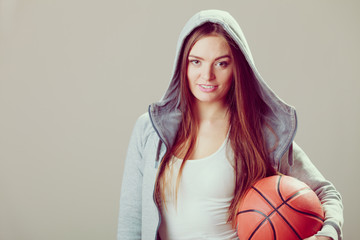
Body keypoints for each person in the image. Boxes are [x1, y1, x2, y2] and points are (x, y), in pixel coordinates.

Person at [117, 9, 343, 240]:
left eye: (221, 64)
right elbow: (131, 222)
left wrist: (327, 235)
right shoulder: (149, 129)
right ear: (182, 65)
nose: (207, 75)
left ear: (237, 67)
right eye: (196, 62)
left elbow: (326, 193)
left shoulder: (259, 131)